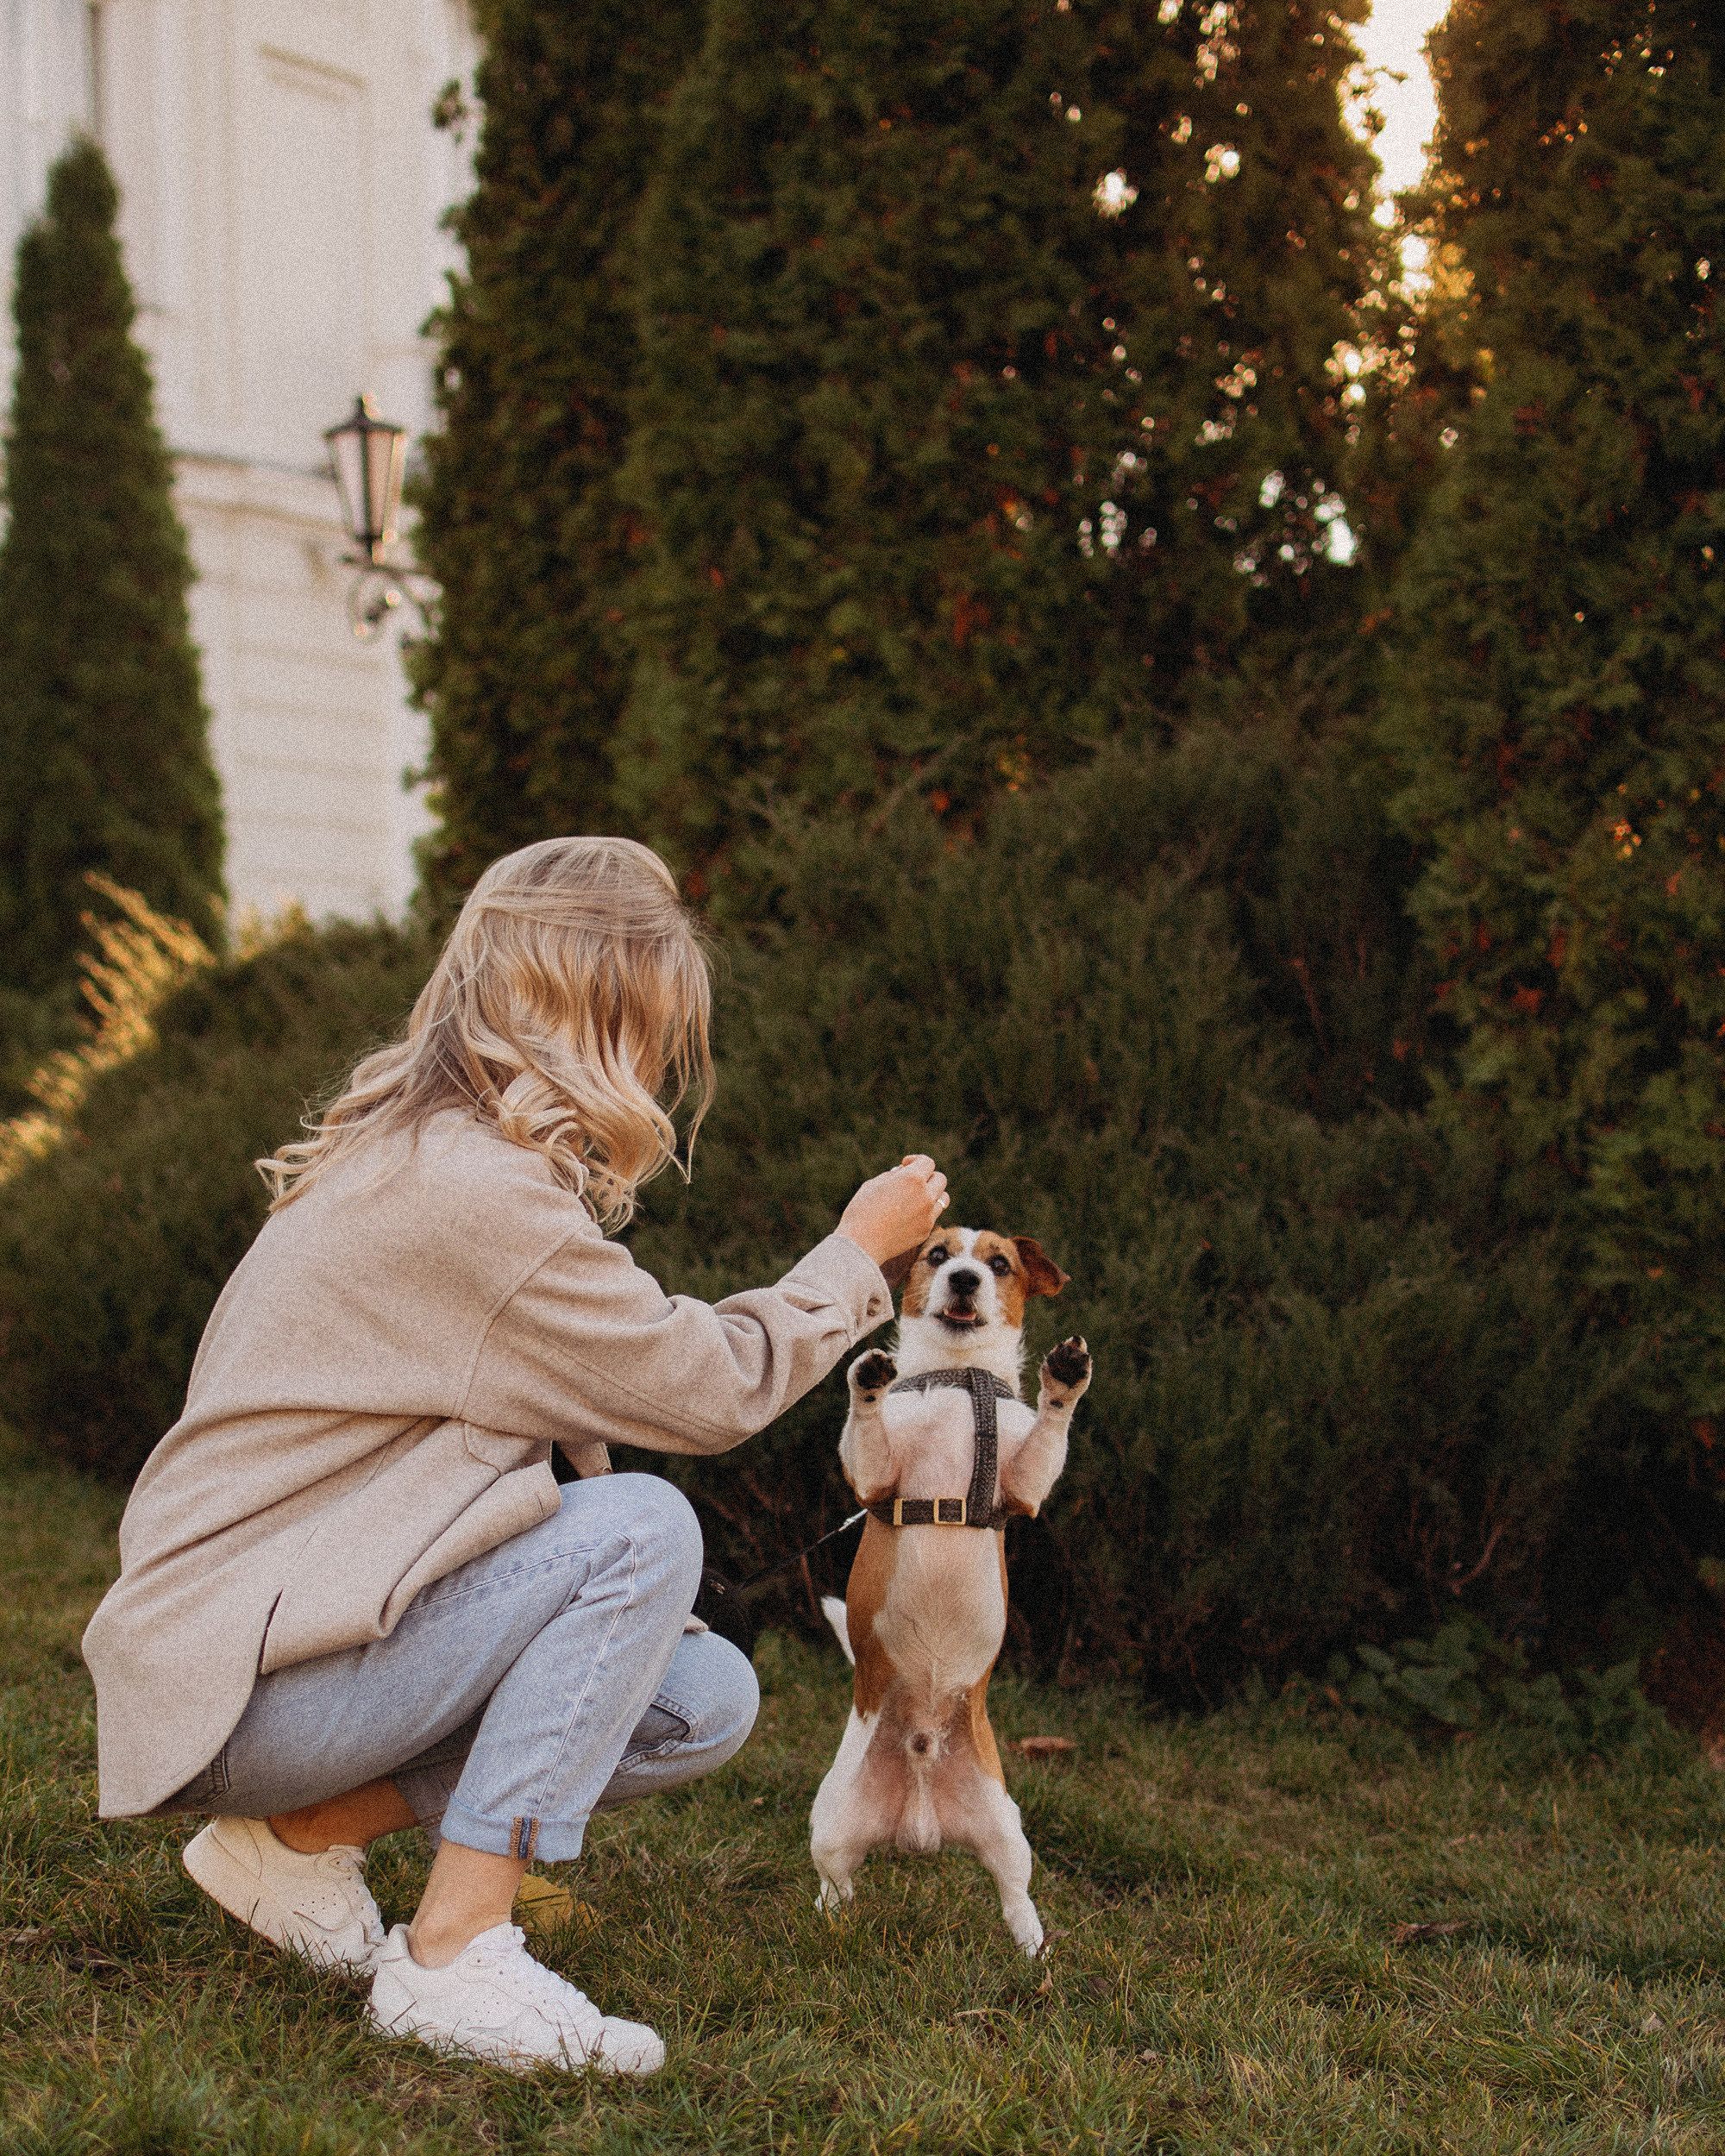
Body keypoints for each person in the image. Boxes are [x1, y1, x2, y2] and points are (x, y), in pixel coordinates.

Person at [80, 835, 947, 2077]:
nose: (660, 1066)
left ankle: (295, 1842)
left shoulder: (426, 1154)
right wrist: (857, 1260)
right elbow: (708, 1387)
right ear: (601, 1020)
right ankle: (453, 1957)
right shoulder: (475, 1195)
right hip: (237, 1687)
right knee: (648, 1530)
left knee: (697, 1698)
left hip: (258, 1661)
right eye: (657, 1029)